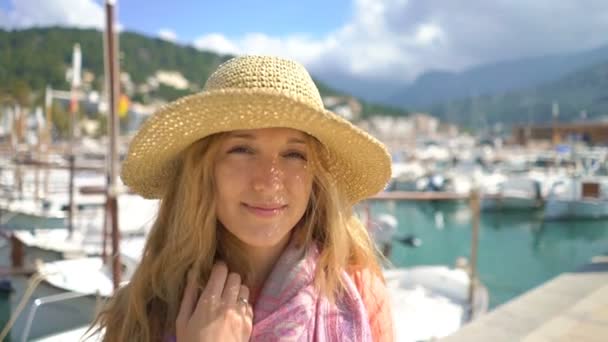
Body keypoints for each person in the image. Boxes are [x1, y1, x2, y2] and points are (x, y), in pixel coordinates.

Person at [92, 55, 394, 341]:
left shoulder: (362, 294)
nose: (268, 182)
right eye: (242, 150)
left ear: (316, 178)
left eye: (293, 154)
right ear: (203, 171)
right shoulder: (140, 312)